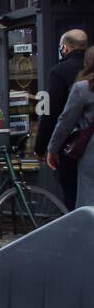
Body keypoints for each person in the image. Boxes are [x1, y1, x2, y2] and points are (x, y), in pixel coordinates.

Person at [37, 29, 88, 210]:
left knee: (73, 196)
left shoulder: (61, 72)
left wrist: (44, 148)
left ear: (65, 48)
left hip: (75, 148)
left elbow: (55, 115)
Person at [45, 48, 94, 208]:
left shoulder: (83, 88)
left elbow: (66, 122)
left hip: (91, 154)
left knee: (89, 203)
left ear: (88, 63)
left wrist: (52, 149)